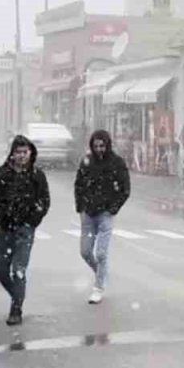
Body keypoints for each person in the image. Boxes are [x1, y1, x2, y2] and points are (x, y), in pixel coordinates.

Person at [0, 135, 51, 326]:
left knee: (18, 269)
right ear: (12, 153)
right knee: (1, 271)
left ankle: (16, 308)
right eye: (18, 152)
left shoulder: (37, 176)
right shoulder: (1, 174)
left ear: (30, 153)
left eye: (25, 152)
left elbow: (44, 201)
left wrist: (32, 220)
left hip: (25, 229)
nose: (22, 156)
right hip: (4, 229)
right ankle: (17, 295)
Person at [74, 130, 131, 304]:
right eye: (96, 146)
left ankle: (98, 287)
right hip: (88, 214)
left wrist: (113, 208)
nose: (99, 149)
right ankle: (102, 273)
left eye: (102, 146)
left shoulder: (117, 163)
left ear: (107, 145)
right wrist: (81, 208)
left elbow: (125, 189)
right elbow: (78, 185)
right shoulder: (87, 162)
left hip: (105, 214)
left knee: (101, 253)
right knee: (85, 252)